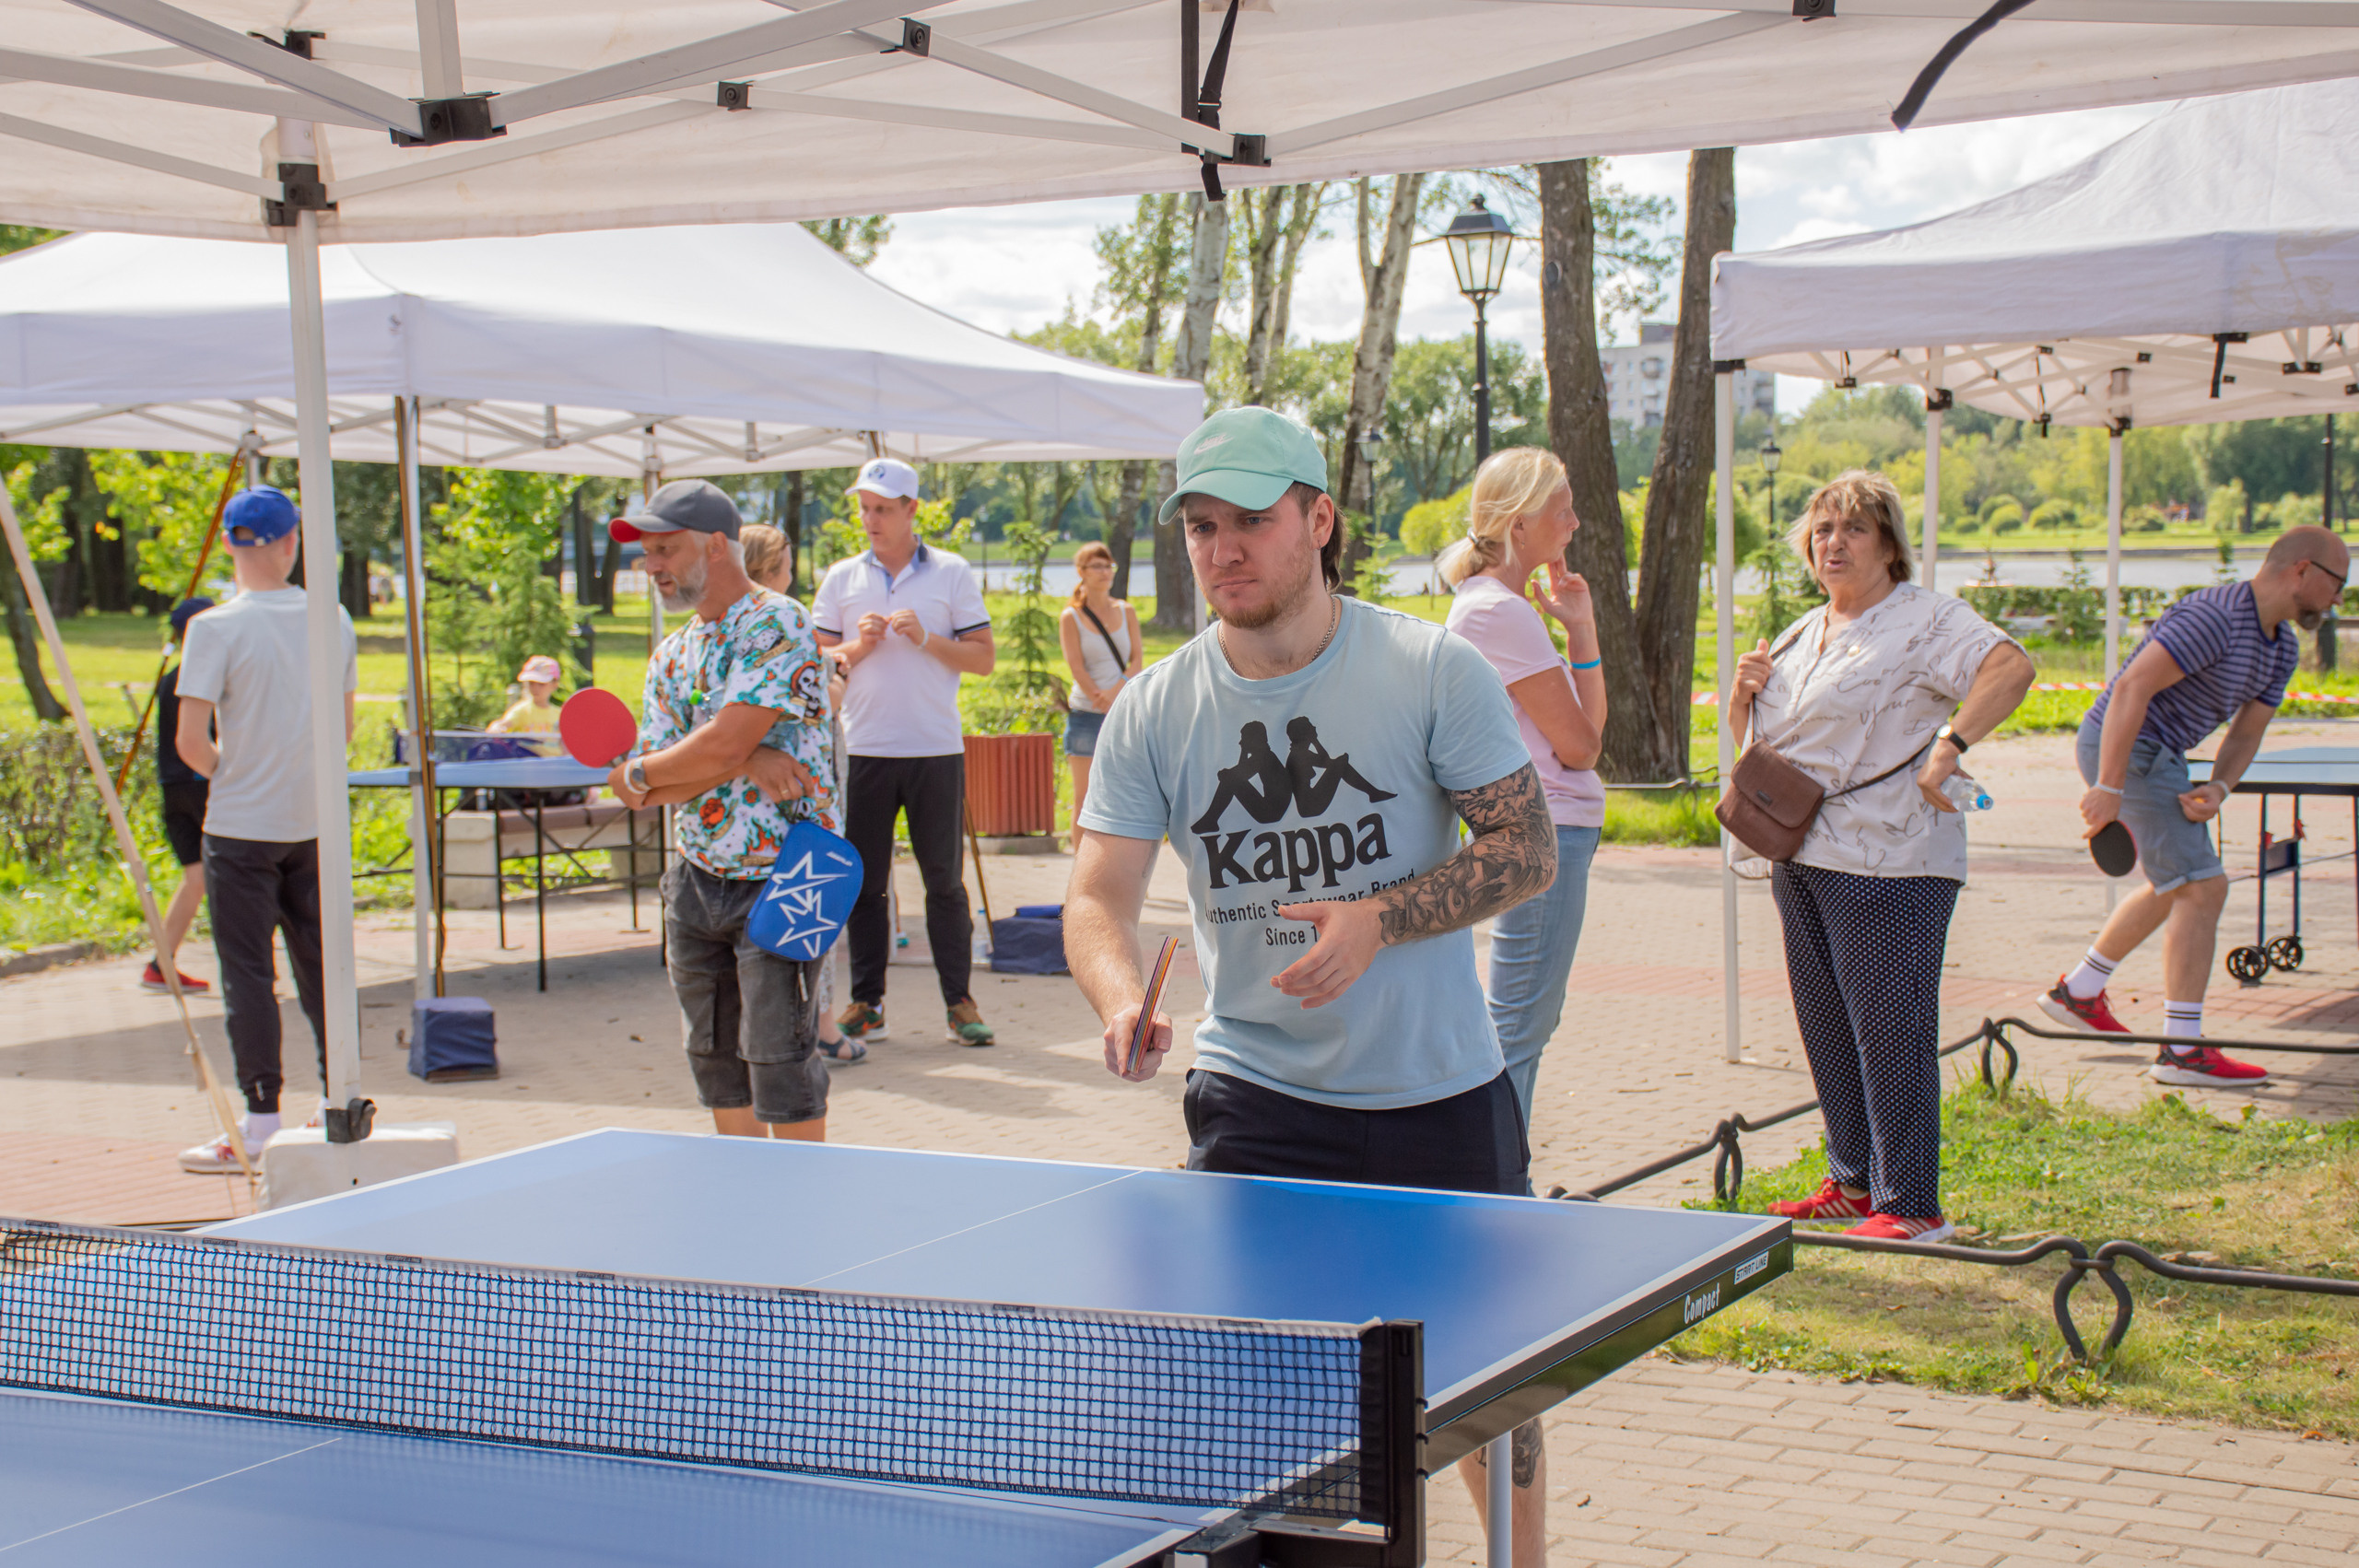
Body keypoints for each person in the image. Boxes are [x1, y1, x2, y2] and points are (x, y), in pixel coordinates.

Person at [1062, 406, 1558, 1563]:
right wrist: (1116, 999)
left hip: (1439, 1095)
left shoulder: (1427, 665)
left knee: (1487, 1390)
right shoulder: (1155, 706)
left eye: (1249, 520)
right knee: (1256, 1411)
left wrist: (1381, 917)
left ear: (1318, 519)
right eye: (1199, 526)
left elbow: (1525, 851)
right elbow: (1097, 898)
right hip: (1257, 1102)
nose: (1222, 549)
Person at [1728, 471, 2035, 1243]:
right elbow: (1769, 742)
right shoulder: (1803, 629)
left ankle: (1912, 1203)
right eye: (1823, 530)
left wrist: (1950, 746)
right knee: (1827, 1024)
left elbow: (2012, 667)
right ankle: (1855, 1181)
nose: (1834, 543)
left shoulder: (1927, 620)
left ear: (1890, 544)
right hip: (1803, 854)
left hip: (1893, 861)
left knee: (1889, 1027)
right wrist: (1743, 696)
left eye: (1854, 529)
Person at [2041, 525, 2350, 1083]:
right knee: (2203, 886)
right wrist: (2108, 786)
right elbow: (2132, 687)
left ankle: (2079, 991)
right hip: (2127, 744)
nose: (2339, 599)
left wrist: (2223, 787)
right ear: (2302, 570)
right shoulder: (2218, 617)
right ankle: (2181, 1050)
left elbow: (2245, 734)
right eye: (2338, 583)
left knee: (2177, 882)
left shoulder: (2280, 647)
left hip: (2163, 754)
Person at [605, 483, 837, 1141]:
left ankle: (803, 1220)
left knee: (780, 1059)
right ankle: (742, 1210)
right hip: (695, 879)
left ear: (714, 544)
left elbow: (685, 757)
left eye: (664, 550)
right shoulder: (669, 654)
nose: (652, 566)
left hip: (788, 874)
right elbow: (664, 787)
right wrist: (738, 763)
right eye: (646, 554)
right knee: (713, 1058)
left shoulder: (778, 620)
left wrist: (658, 769)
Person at [170, 489, 358, 1172]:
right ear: (291, 542)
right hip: (310, 823)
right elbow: (344, 730)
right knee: (319, 968)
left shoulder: (214, 628)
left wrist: (234, 771)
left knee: (248, 974)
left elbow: (192, 742)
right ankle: (340, 1096)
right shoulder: (330, 618)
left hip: (241, 826)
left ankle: (259, 1120)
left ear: (229, 544)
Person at [1440, 449, 1606, 1130]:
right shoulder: (1496, 613)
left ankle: (1501, 1180)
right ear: (1519, 521)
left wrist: (1582, 628)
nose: (1573, 521)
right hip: (1546, 830)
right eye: (1560, 507)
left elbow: (1589, 736)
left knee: (1526, 1017)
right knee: (1517, 1026)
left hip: (1555, 825)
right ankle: (1498, 1183)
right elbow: (1581, 747)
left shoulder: (1502, 607)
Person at [812, 458, 999, 1048]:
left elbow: (984, 658)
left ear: (912, 510)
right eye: (865, 508)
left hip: (934, 750)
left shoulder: (951, 573)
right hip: (864, 749)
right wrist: (858, 647)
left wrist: (926, 639)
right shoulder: (841, 578)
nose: (871, 519)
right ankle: (867, 1004)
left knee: (943, 881)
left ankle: (959, 1003)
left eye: (883, 509)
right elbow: (813, 666)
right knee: (865, 884)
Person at [742, 521, 863, 1065]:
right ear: (773, 569)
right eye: (789, 563)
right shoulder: (783, 623)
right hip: (803, 807)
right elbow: (819, 701)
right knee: (813, 916)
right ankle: (821, 1024)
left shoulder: (733, 630)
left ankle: (798, 1027)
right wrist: (839, 673)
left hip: (759, 818)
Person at [145, 596, 215, 996]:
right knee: (236, 877)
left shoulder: (171, 678)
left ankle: (161, 963)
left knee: (197, 879)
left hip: (173, 789)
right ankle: (253, 975)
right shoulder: (203, 677)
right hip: (201, 783)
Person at [1059, 539, 1144, 829]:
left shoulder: (1126, 611)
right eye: (1097, 566)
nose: (1105, 572)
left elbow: (1136, 661)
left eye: (1108, 566)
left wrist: (1114, 693)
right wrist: (1098, 696)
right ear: (1081, 571)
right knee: (1084, 798)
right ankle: (1079, 867)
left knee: (1124, 795)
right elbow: (1076, 666)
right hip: (1086, 713)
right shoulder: (1071, 617)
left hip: (1122, 712)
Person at [488, 654, 563, 737]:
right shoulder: (522, 710)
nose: (535, 688)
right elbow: (502, 724)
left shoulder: (560, 715)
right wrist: (496, 728)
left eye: (541, 684)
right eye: (531, 683)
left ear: (555, 684)